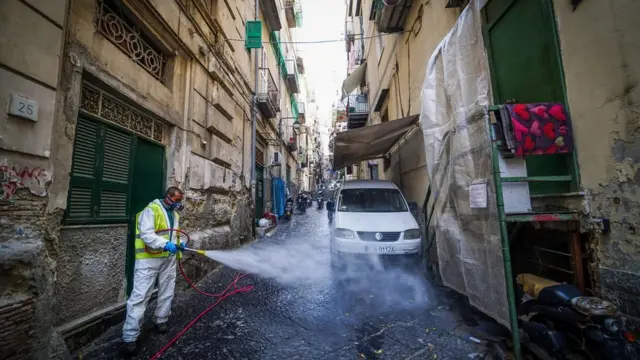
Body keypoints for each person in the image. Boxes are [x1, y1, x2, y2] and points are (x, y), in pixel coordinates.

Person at [122, 187, 185, 354]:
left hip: (168, 259)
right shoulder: (151, 210)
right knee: (140, 296)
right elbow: (146, 234)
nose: (179, 204)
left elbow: (174, 234)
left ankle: (161, 319)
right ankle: (130, 337)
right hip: (149, 260)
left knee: (167, 291)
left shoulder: (175, 215)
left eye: (181, 200)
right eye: (177, 200)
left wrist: (181, 242)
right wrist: (165, 244)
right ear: (168, 198)